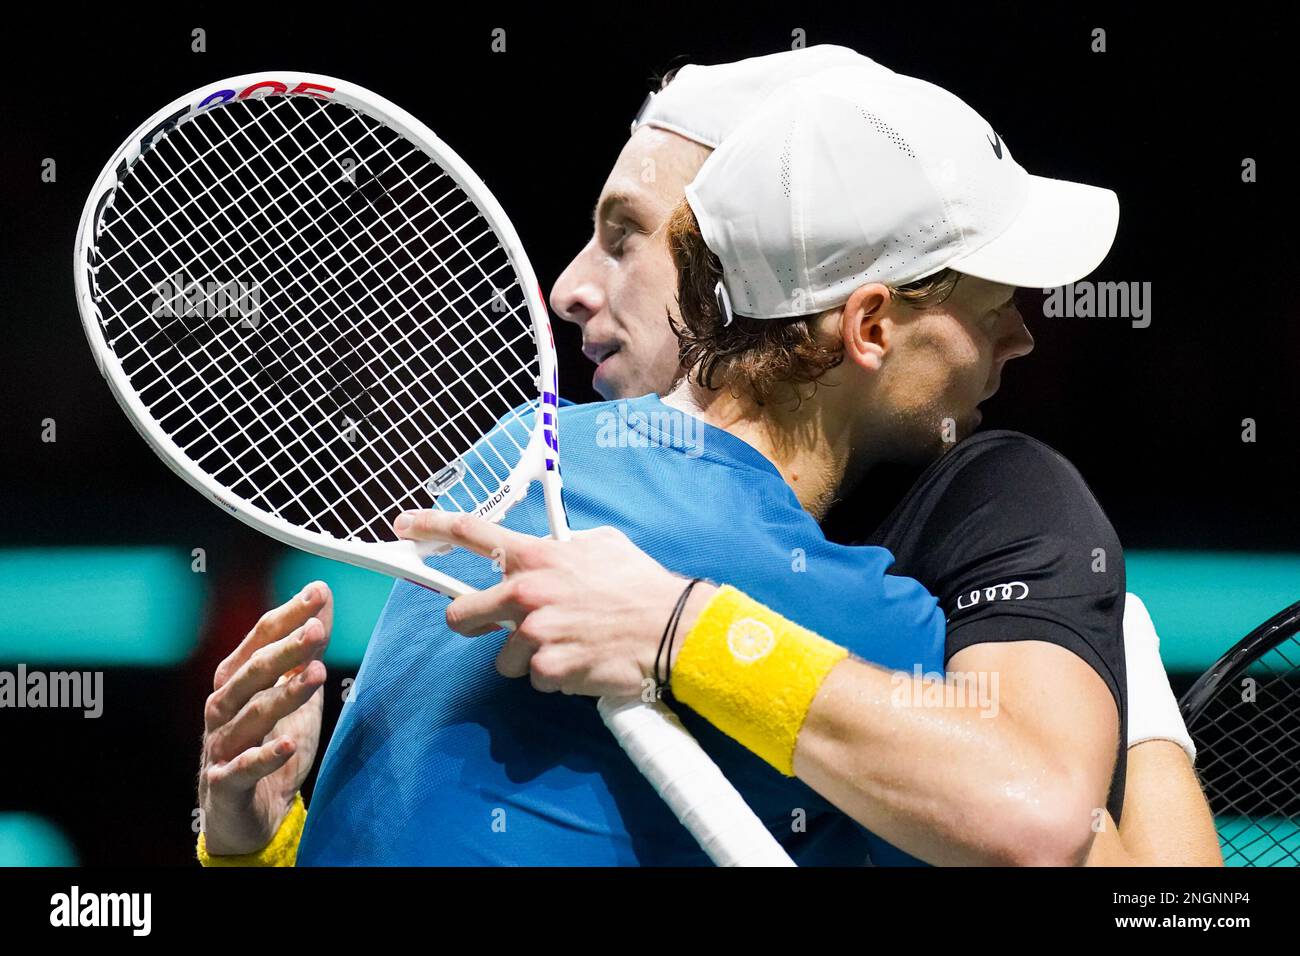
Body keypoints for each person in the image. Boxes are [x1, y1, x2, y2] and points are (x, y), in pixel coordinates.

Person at [197, 49, 1218, 866]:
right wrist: (1129, 683)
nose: (1021, 339)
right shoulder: (868, 614)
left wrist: (253, 848)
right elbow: (1067, 841)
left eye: (626, 238)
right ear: (868, 325)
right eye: (989, 307)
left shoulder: (510, 455)